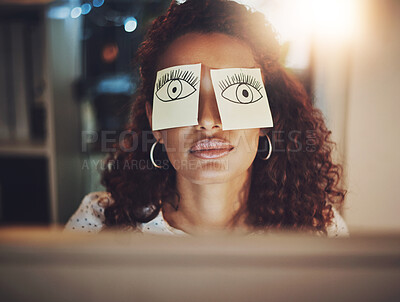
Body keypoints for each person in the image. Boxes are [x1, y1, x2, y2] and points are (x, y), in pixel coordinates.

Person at [65, 0, 348, 237]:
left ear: (267, 115)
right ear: (155, 122)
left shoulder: (318, 230)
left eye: (239, 93)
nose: (208, 120)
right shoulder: (99, 224)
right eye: (178, 92)